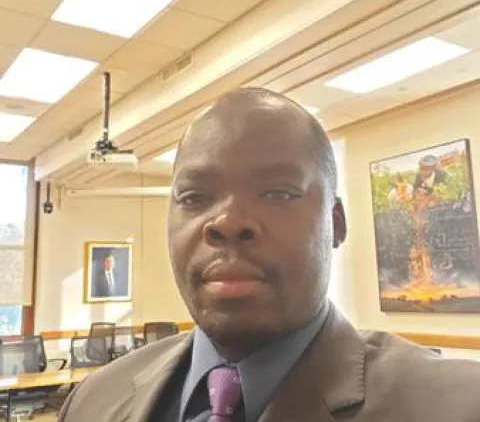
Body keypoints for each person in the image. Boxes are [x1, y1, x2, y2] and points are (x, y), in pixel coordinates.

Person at [59, 88, 480, 422]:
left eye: (278, 193)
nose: (227, 222)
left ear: (335, 223)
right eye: (194, 196)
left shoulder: (459, 406)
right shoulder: (92, 401)